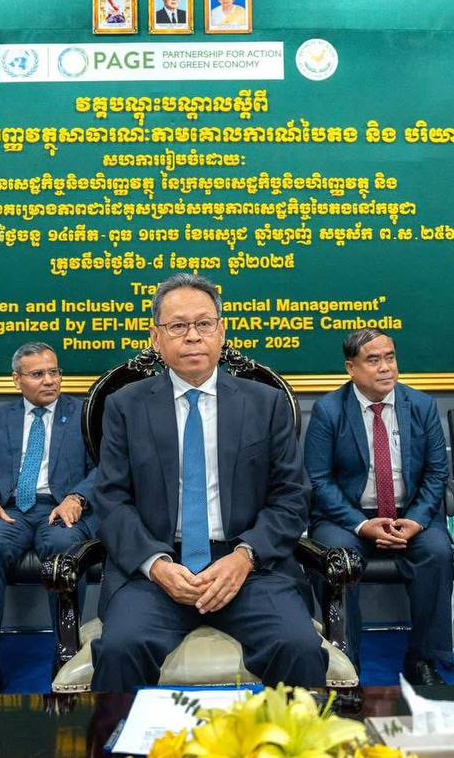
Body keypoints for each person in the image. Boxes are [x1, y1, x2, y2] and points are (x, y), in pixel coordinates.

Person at [91, 273, 327, 691]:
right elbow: (111, 501)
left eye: (203, 323)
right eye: (177, 326)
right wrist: (156, 565)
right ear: (155, 337)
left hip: (249, 567)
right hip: (157, 568)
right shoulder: (125, 406)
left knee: (299, 647)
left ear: (222, 331)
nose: (192, 336)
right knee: (120, 649)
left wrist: (245, 557)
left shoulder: (266, 403)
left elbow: (291, 497)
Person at [303, 328, 453, 685]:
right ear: (351, 368)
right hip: (347, 518)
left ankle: (423, 659)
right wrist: (361, 525)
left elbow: (437, 473)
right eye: (373, 360)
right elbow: (319, 480)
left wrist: (417, 520)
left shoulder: (421, 405)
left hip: (409, 514)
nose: (385, 367)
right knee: (336, 557)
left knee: (437, 551)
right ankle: (346, 661)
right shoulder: (329, 410)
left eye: (390, 357)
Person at [0, 342, 96, 693]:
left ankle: (66, 654)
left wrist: (78, 497)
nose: (50, 380)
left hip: (59, 508)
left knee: (64, 548)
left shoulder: (83, 414)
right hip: (11, 509)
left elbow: (106, 467)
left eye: (54, 372)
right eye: (38, 374)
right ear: (17, 380)